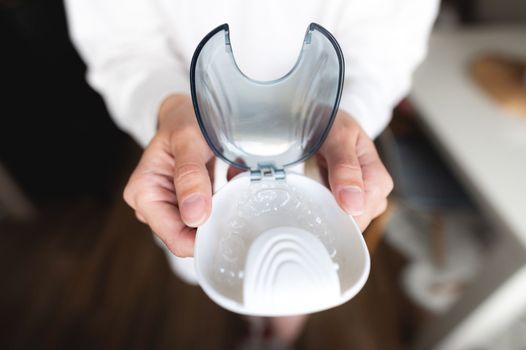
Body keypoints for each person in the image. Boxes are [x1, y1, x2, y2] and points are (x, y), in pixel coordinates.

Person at [64, 0, 438, 348]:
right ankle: (258, 319)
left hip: (317, 145)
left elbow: (390, 38)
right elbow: (121, 40)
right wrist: (172, 109)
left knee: (294, 279)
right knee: (210, 257)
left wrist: (349, 113)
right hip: (197, 147)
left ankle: (280, 324)